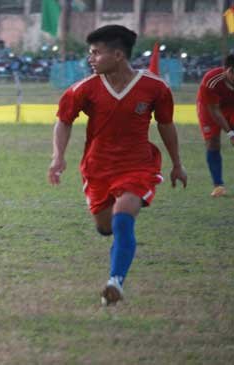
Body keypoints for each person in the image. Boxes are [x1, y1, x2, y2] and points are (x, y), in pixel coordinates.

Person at [48, 25, 187, 306]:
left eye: (96, 53)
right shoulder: (84, 89)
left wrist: (177, 164)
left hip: (138, 166)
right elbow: (63, 121)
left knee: (124, 217)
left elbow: (165, 124)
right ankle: (114, 247)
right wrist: (58, 157)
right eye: (90, 53)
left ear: (118, 55)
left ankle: (115, 282)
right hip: (97, 169)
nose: (91, 59)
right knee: (106, 226)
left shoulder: (155, 88)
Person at [196, 55, 234, 197]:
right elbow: (214, 110)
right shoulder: (212, 80)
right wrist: (230, 133)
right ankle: (218, 185)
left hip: (231, 106)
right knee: (213, 143)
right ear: (227, 71)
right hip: (210, 107)